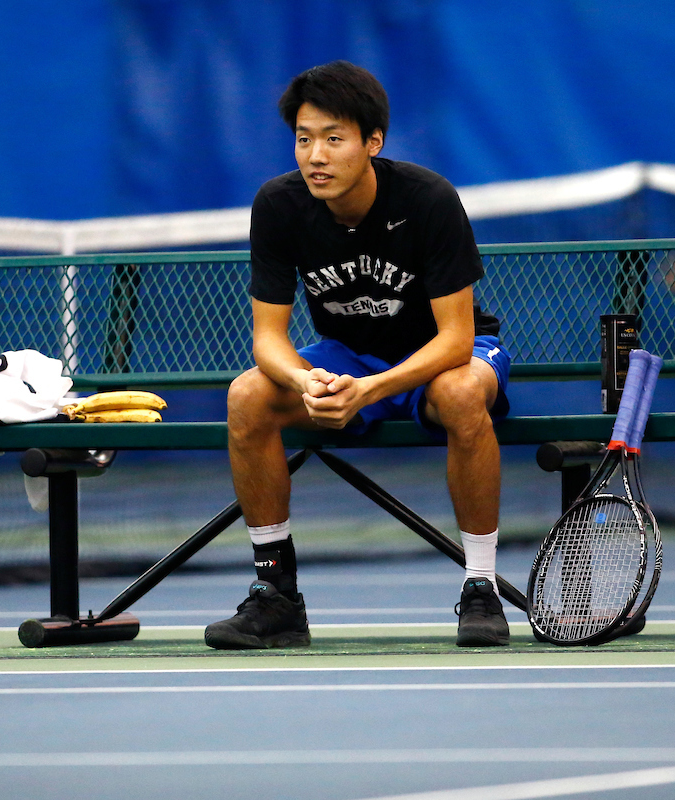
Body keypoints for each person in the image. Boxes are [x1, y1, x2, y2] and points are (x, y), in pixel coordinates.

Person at [204, 60, 512, 650]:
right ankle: (277, 596)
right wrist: (306, 382)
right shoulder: (278, 205)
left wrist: (369, 391)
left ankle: (481, 588)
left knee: (459, 392)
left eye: (333, 139)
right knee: (247, 396)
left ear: (373, 142)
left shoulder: (427, 198)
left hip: (442, 357)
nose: (315, 156)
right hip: (348, 357)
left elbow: (455, 338)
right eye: (304, 139)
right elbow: (268, 340)